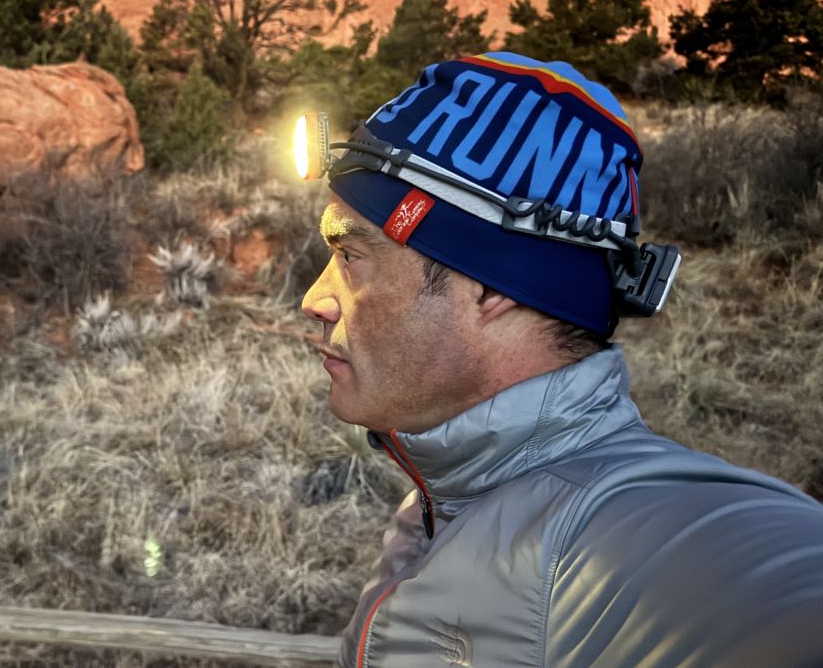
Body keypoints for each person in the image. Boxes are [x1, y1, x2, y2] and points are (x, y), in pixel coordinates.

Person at [299, 52, 823, 667]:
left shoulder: (620, 533)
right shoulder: (437, 499)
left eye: (352, 257)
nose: (315, 300)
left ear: (490, 285)